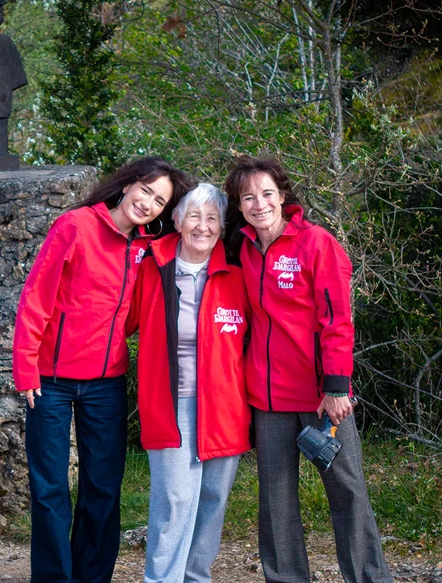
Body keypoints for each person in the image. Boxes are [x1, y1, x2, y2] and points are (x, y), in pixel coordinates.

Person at [13, 157, 194, 583]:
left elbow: (136, 313)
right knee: (50, 488)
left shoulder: (146, 249)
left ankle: (91, 577)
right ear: (128, 184)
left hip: (106, 383)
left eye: (160, 201)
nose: (148, 203)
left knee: (103, 488)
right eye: (146, 191)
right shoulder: (76, 225)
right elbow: (36, 295)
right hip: (50, 382)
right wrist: (26, 367)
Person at [223, 157, 393, 583]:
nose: (259, 203)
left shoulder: (317, 243)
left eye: (266, 193)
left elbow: (337, 320)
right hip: (267, 399)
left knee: (348, 493)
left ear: (282, 196)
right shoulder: (241, 248)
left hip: (321, 399)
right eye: (248, 197)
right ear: (239, 206)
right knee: (275, 503)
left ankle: (370, 579)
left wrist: (337, 387)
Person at [127, 184, 251, 583]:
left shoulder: (237, 272)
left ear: (222, 225)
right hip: (170, 402)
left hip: (225, 404)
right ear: (177, 221)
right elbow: (119, 320)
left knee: (212, 500)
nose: (203, 226)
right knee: (175, 499)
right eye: (194, 216)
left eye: (212, 217)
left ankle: (196, 577)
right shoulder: (151, 267)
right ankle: (161, 580)